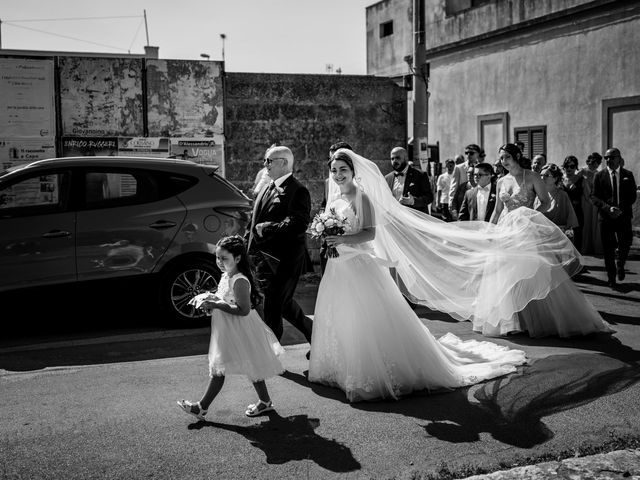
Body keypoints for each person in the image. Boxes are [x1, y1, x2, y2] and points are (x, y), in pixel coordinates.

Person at [308, 149, 527, 402]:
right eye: (334, 171)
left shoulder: (362, 198)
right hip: (338, 268)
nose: (337, 175)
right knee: (340, 314)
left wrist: (342, 238)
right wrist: (327, 238)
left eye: (342, 170)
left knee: (364, 317)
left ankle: (369, 372)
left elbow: (369, 233)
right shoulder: (334, 199)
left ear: (353, 171)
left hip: (359, 267)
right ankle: (338, 368)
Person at [480, 144, 611, 337]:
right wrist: (491, 232)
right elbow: (498, 211)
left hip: (526, 231)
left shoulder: (532, 177)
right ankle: (513, 321)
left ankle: (539, 319)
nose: (504, 161)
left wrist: (527, 215)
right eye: (501, 158)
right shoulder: (501, 181)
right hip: (505, 232)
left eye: (507, 157)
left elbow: (546, 202)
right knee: (506, 276)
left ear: (516, 157)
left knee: (532, 274)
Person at [177, 235, 285, 420]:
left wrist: (218, 305)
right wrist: (210, 301)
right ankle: (265, 402)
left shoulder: (240, 280)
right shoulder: (226, 275)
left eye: (224, 258)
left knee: (222, 367)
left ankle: (201, 407)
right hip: (227, 327)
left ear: (237, 258)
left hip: (241, 328)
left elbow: (243, 310)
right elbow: (224, 298)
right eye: (217, 257)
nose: (219, 262)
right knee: (245, 366)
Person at [245, 145, 313, 345]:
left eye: (269, 161)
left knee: (273, 307)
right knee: (283, 305)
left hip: (284, 260)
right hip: (263, 260)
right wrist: (245, 245)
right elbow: (254, 220)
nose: (264, 165)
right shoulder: (267, 186)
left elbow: (299, 223)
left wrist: (268, 228)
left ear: (283, 163)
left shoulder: (298, 190)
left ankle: (270, 354)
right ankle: (315, 335)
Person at [590, 147, 638, 288]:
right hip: (606, 218)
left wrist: (620, 209)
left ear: (619, 158)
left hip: (623, 216)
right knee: (608, 248)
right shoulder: (599, 176)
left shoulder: (628, 175)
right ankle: (611, 277)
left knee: (625, 243)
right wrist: (608, 208)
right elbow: (593, 196)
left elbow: (632, 196)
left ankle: (620, 264)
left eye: (611, 157)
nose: (608, 160)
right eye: (606, 158)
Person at [320, 141, 354, 274]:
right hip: (328, 244)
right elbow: (325, 205)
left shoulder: (361, 189)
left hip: (352, 249)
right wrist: (322, 222)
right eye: (331, 159)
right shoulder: (329, 182)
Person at [384, 146, 433, 214]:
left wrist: (413, 201)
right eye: (392, 159)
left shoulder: (420, 175)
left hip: (415, 220)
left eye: (398, 158)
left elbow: (429, 197)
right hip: (394, 219)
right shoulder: (387, 178)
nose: (394, 161)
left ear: (406, 158)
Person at [536, 164, 579, 239]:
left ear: (555, 178)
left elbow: (570, 220)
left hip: (557, 237)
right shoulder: (538, 194)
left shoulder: (562, 195)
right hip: (540, 236)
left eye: (546, 175)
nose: (542, 178)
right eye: (541, 175)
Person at [561, 155, 588, 253]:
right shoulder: (559, 180)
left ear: (576, 167)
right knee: (562, 237)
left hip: (577, 212)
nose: (569, 168)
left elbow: (589, 197)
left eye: (572, 166)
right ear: (563, 166)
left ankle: (578, 262)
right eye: (567, 166)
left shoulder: (581, 180)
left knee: (577, 237)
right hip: (562, 211)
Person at [449, 144, 483, 219]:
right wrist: (452, 206)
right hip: (462, 202)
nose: (468, 155)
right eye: (466, 153)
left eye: (471, 153)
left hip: (477, 201)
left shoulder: (482, 167)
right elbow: (454, 187)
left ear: (477, 154)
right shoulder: (459, 168)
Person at [581, 152, 604, 254]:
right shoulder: (582, 172)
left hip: (594, 202)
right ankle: (585, 247)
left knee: (594, 224)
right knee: (586, 223)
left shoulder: (599, 174)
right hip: (584, 202)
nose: (594, 164)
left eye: (597, 162)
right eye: (592, 162)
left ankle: (595, 247)